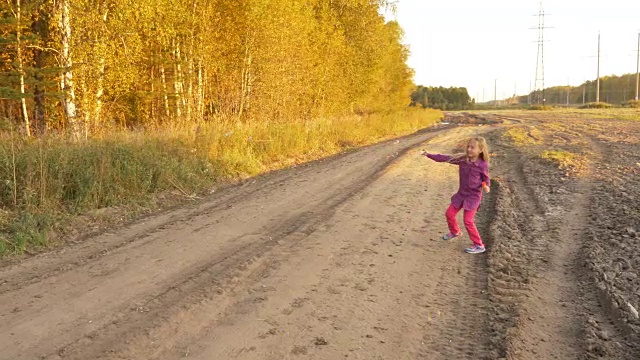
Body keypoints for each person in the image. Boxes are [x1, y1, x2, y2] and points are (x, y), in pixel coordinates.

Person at [421, 137, 491, 254]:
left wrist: (486, 186)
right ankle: (455, 232)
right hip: (461, 194)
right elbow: (445, 158)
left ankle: (479, 245)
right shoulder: (463, 160)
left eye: (472, 147)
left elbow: (485, 178)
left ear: (481, 150)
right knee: (449, 214)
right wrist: (428, 154)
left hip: (473, 197)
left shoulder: (482, 164)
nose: (469, 149)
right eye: (468, 146)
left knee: (468, 221)